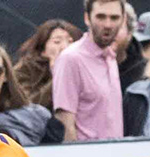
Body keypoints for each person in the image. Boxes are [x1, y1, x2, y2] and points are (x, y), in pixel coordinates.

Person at [53, 0, 126, 136]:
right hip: (85, 149)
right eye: (101, 17)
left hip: (115, 148)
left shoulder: (110, 57)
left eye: (114, 18)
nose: (108, 24)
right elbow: (65, 123)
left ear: (123, 20)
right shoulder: (70, 59)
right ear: (87, 18)